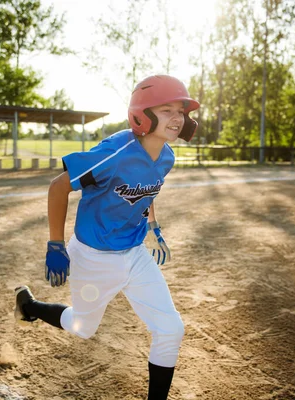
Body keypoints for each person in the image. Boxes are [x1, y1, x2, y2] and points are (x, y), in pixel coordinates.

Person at [14, 75, 200, 399]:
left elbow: (146, 189)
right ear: (143, 114)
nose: (177, 118)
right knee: (83, 329)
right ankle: (29, 306)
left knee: (171, 329)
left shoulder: (167, 157)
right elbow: (59, 186)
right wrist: (55, 245)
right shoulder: (115, 151)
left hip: (134, 254)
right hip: (93, 257)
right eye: (167, 110)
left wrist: (154, 228)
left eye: (180, 111)